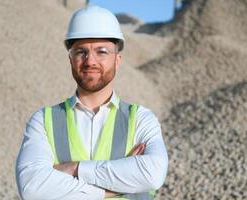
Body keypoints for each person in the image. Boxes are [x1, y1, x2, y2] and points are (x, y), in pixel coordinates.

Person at [15, 5, 168, 200]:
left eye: (102, 51)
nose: (90, 61)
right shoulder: (43, 121)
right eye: (81, 52)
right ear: (70, 59)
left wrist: (75, 169)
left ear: (117, 60)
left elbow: (153, 174)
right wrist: (113, 188)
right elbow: (32, 188)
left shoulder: (141, 119)